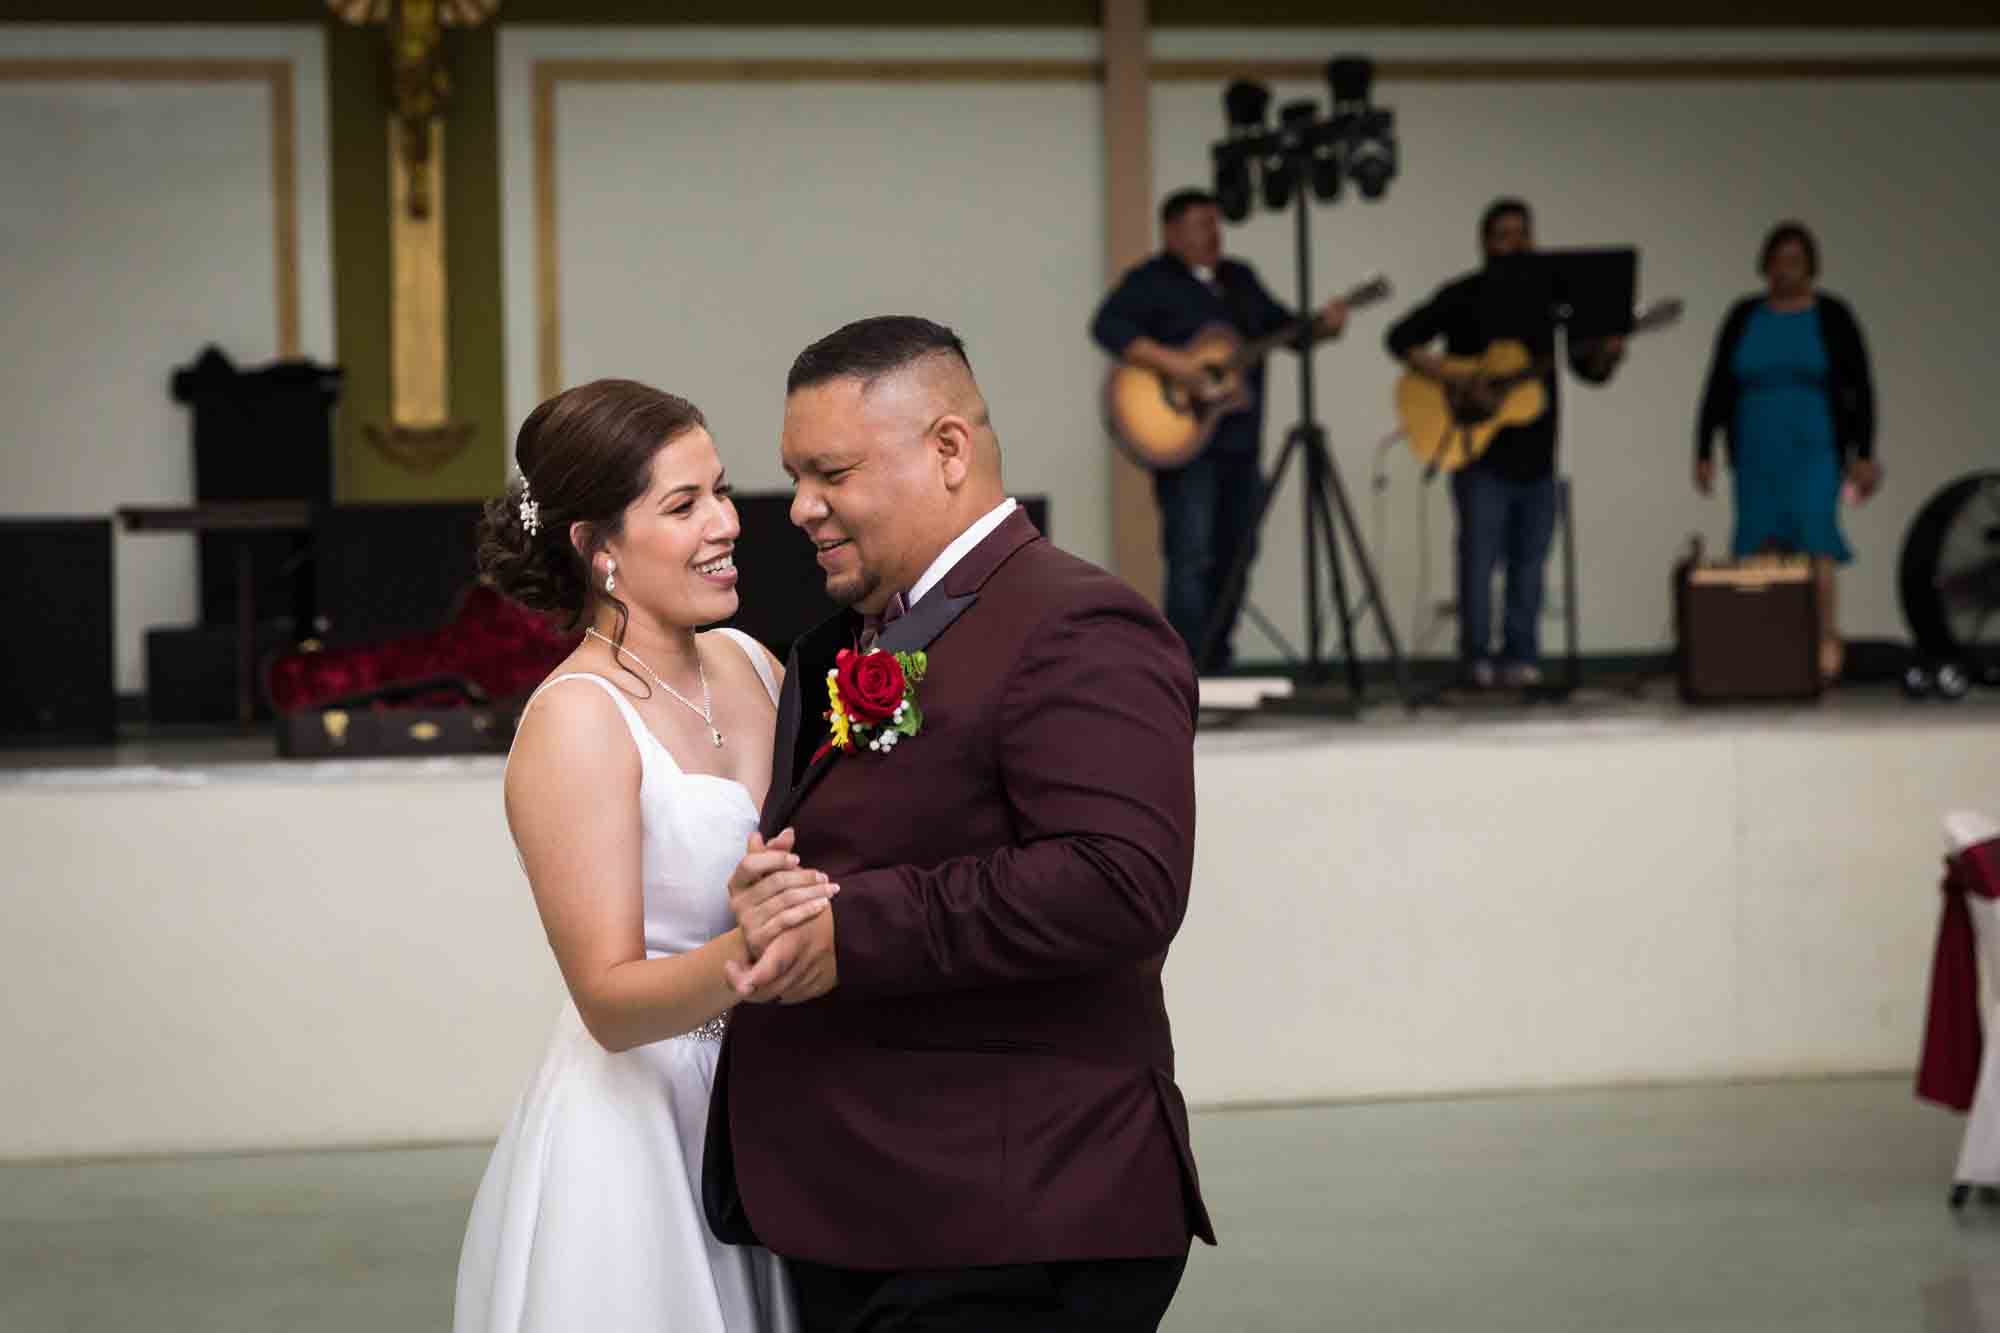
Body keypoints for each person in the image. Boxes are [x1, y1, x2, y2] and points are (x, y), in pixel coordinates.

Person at [702, 317, 1214, 1332]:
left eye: (830, 471)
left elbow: (1121, 881)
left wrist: (851, 925)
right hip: (881, 1204)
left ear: (946, 450)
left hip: (1015, 1215)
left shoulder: (1076, 622)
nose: (799, 508)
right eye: (792, 475)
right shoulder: (846, 639)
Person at [456, 379, 825, 1333]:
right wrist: (756, 951)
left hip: (769, 1109)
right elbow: (610, 1002)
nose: (728, 523)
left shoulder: (751, 661)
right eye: (683, 504)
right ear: (596, 546)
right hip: (639, 1134)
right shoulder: (578, 720)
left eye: (722, 489)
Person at [1091, 187, 1348, 670]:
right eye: (1201, 224)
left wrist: (1323, 326)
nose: (1214, 233)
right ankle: (1184, 668)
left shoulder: (1240, 279)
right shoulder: (1151, 280)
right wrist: (1178, 365)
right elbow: (1107, 326)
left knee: (1238, 553)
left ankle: (1217, 661)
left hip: (1240, 443)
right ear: (1172, 231)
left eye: (1216, 223)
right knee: (1191, 556)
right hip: (1187, 445)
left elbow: (1283, 328)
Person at [1386, 198, 1626, 689]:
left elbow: (1590, 371)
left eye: (1522, 233)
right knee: (1478, 560)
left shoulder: (1556, 303)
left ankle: (1522, 659)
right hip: (1478, 455)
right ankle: (1475, 660)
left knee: (1530, 563)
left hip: (1540, 456)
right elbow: (1399, 338)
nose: (1514, 243)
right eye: (1503, 235)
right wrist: (1458, 378)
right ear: (1485, 243)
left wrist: (1609, 353)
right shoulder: (1464, 295)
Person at [1696, 220, 1879, 684]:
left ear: (1811, 266)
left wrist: (1863, 452)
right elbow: (1717, 385)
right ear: (1765, 265)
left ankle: (1823, 646)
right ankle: (1763, 647)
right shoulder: (1744, 315)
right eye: (1777, 260)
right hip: (1755, 442)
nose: (1785, 269)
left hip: (1814, 440)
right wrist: (1703, 449)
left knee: (1815, 538)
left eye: (1795, 260)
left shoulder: (1833, 315)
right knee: (1757, 541)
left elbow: (1860, 386)